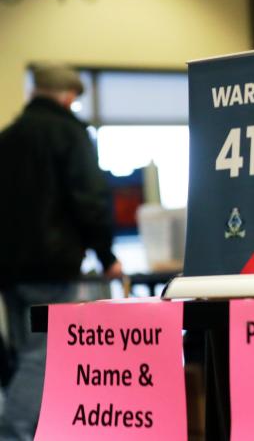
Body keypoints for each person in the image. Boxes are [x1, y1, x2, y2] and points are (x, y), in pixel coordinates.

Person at [0, 63, 123, 441]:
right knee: (43, 354)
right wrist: (106, 255)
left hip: (8, 266)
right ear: (69, 97)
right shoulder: (70, 134)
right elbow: (89, 199)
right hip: (51, 265)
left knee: (23, 352)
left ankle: (36, 430)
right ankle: (15, 432)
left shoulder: (8, 136)